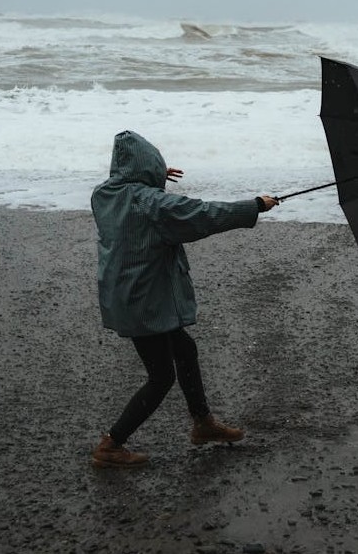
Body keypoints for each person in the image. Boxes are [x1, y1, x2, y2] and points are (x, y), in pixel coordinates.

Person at [90, 130, 279, 468]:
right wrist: (254, 207)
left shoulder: (104, 195)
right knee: (161, 377)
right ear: (146, 168)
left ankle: (203, 423)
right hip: (144, 302)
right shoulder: (151, 203)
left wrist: (152, 176)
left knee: (185, 349)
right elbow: (203, 214)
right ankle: (111, 444)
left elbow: (133, 190)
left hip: (127, 295)